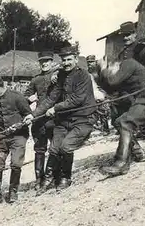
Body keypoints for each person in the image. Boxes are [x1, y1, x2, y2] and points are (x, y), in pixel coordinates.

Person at [23, 45, 97, 194]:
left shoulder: (83, 76)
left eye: (69, 59)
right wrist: (34, 114)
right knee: (54, 148)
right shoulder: (61, 75)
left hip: (83, 118)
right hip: (64, 120)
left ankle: (65, 177)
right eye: (64, 60)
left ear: (76, 59)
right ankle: (48, 178)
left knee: (65, 147)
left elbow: (77, 99)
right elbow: (51, 98)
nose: (67, 63)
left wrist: (56, 108)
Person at [99, 57, 145, 176]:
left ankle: (121, 163)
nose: (110, 73)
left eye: (110, 69)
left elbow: (112, 81)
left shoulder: (128, 63)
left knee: (125, 122)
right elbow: (113, 88)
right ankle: (138, 153)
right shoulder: (125, 73)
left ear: (115, 64)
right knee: (118, 121)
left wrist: (103, 68)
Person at [0, 72, 32, 205]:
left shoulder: (17, 97)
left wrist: (23, 122)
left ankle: (13, 191)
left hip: (18, 136)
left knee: (16, 164)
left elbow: (28, 115)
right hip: (2, 136)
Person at [118, 21, 145, 159]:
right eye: (123, 36)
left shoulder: (142, 49)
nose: (125, 38)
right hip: (130, 93)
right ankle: (136, 150)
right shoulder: (122, 54)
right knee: (121, 120)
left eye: (128, 35)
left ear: (135, 34)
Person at [23, 51, 59, 191]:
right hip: (39, 119)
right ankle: (39, 179)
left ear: (52, 61)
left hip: (54, 117)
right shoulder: (35, 79)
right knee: (39, 150)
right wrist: (29, 98)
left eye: (47, 61)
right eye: (42, 62)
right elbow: (25, 96)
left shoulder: (58, 75)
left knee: (55, 148)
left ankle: (54, 177)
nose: (44, 64)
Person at [87, 55, 110, 136]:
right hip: (92, 93)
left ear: (95, 62)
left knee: (103, 112)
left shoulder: (99, 71)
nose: (90, 64)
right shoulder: (88, 71)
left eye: (91, 62)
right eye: (88, 62)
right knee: (93, 111)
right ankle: (94, 127)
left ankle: (106, 129)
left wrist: (103, 93)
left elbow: (105, 82)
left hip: (101, 92)